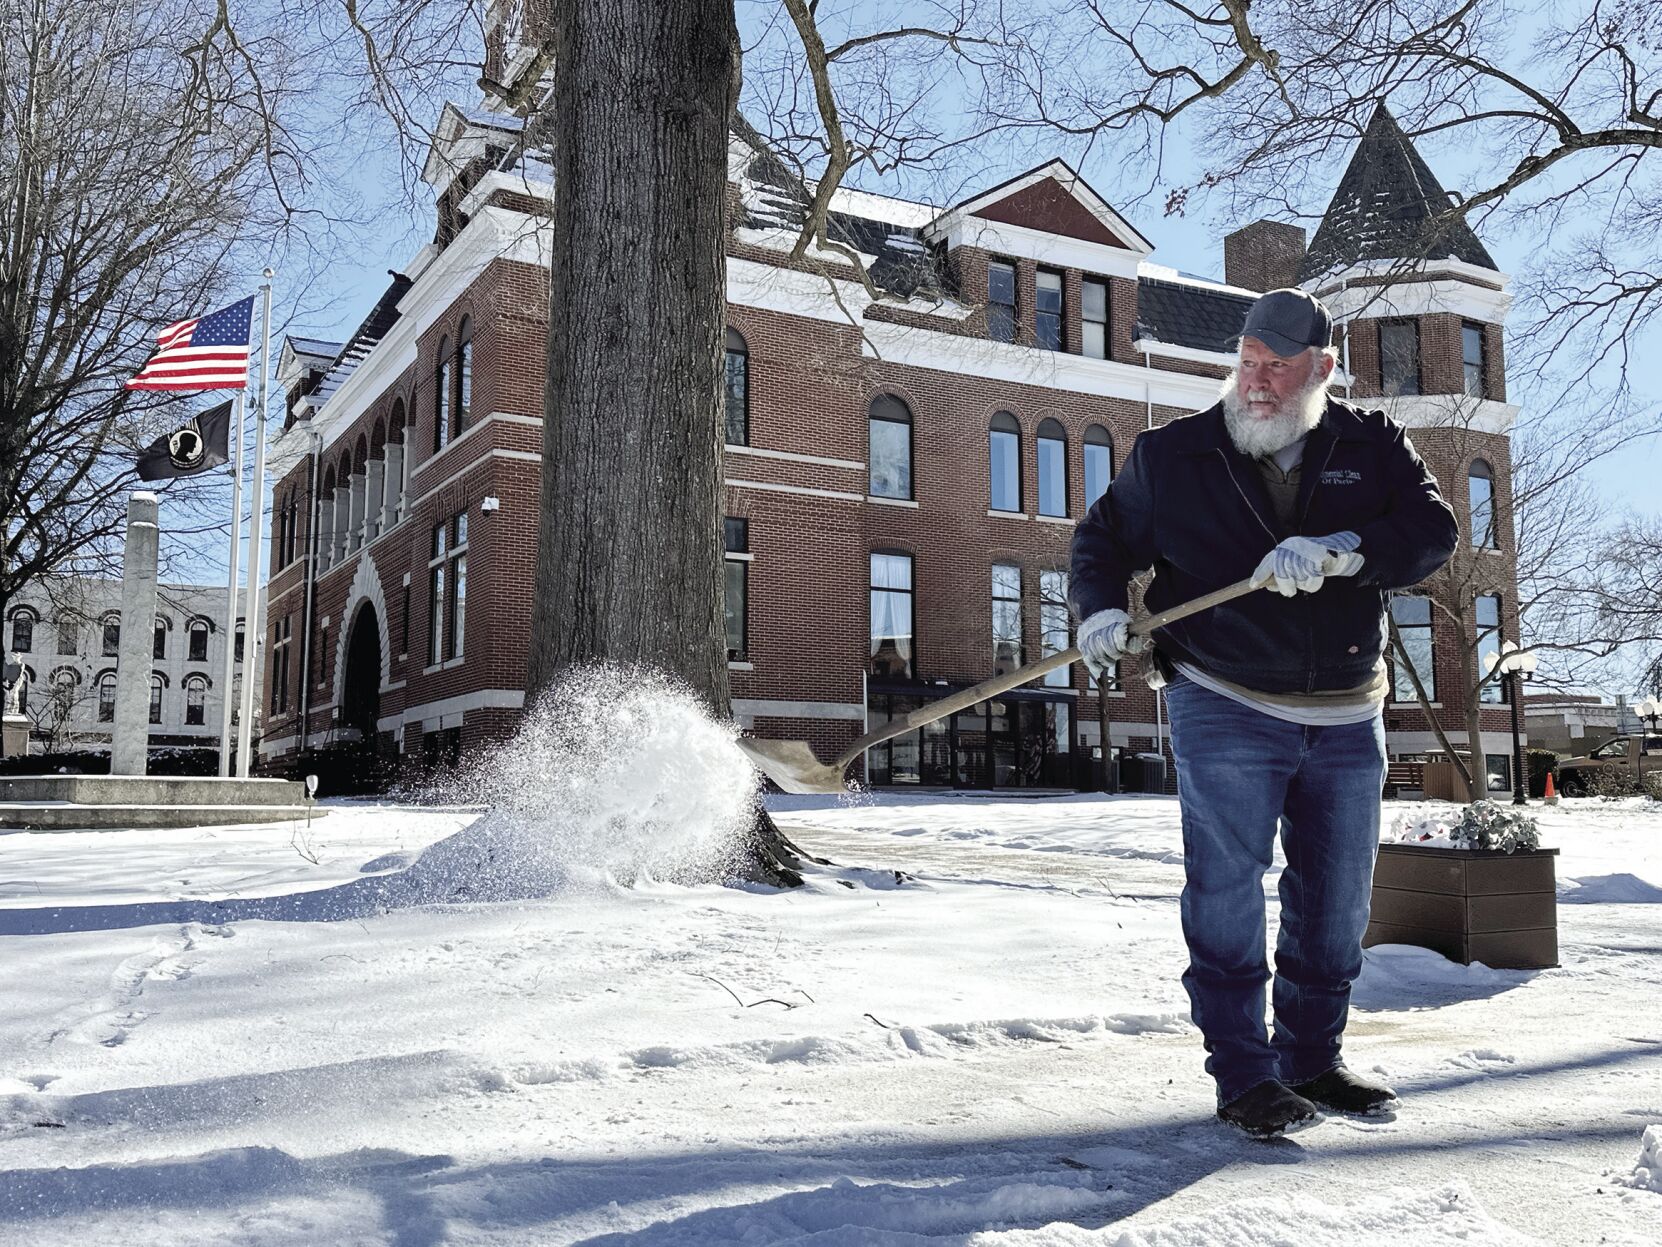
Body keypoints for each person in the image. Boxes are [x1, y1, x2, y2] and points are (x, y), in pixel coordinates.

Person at [1069, 288, 1458, 1137]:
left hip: (1350, 710)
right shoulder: (1175, 456)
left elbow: (1434, 531)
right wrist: (1099, 608)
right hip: (1224, 695)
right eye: (1247, 362)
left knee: (1337, 897)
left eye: (1278, 367)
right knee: (1226, 889)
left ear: (1321, 371)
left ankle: (1312, 1059)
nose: (1257, 381)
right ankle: (1245, 1073)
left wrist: (1345, 552)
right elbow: (1101, 540)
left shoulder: (1370, 444)